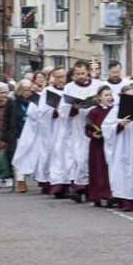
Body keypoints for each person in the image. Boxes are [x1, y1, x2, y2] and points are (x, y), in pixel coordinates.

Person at [48, 61, 94, 201]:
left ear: (88, 72)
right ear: (73, 74)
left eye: (83, 73)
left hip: (92, 126)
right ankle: (78, 188)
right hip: (75, 128)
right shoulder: (69, 88)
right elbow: (62, 110)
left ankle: (90, 189)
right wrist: (74, 108)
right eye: (78, 74)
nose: (80, 76)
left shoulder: (97, 85)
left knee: (89, 158)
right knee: (76, 158)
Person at [101, 82, 133, 211]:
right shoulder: (115, 111)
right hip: (121, 147)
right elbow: (106, 129)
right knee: (122, 173)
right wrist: (120, 124)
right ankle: (124, 202)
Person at [1, 79, 36, 192]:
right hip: (18, 133)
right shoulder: (13, 101)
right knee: (19, 157)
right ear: (20, 90)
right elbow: (6, 119)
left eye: (29, 90)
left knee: (31, 157)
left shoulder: (34, 101)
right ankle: (21, 181)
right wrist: (4, 137)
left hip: (32, 133)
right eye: (25, 90)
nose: (27, 93)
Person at [85, 86, 115, 207]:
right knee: (98, 170)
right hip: (97, 145)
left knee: (109, 169)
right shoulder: (94, 112)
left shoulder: (113, 111)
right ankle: (96, 195)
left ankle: (109, 194)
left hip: (111, 144)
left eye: (110, 95)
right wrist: (93, 134)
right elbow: (87, 129)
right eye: (106, 95)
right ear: (99, 97)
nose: (108, 97)